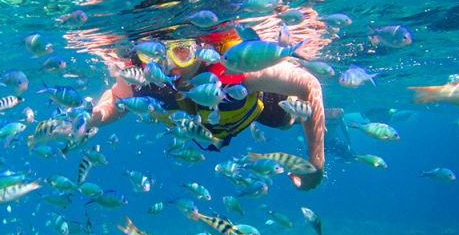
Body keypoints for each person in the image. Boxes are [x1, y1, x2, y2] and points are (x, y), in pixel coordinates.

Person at [89, 27, 326, 190]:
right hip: (209, 123)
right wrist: (95, 117)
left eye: (181, 53)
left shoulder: (233, 65)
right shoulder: (144, 77)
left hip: (259, 104)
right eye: (156, 57)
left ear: (200, 49)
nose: (169, 68)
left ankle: (328, 120)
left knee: (286, 120)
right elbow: (116, 99)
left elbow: (309, 85)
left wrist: (315, 163)